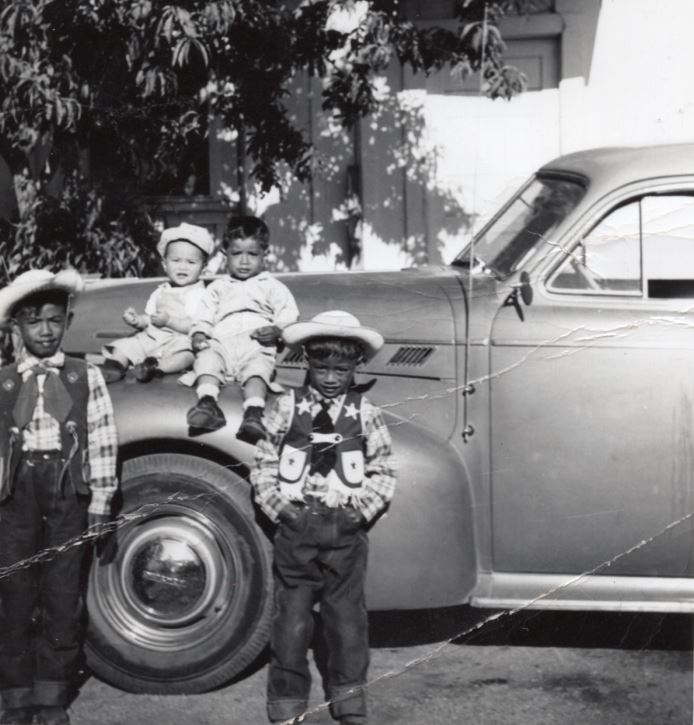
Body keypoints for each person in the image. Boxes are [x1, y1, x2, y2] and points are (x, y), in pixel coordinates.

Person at [250, 310, 396, 725]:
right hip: (297, 529)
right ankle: (287, 703)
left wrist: (358, 514)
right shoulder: (285, 406)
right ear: (306, 362)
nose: (331, 378)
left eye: (341, 368)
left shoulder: (365, 412)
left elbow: (384, 470)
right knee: (291, 622)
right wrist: (284, 512)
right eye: (321, 367)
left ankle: (349, 699)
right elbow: (262, 463)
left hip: (345, 531)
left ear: (356, 367)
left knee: (347, 621)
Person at [0, 269, 119, 725]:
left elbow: (104, 438)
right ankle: (15, 694)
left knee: (62, 592)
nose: (45, 331)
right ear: (18, 328)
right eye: (35, 323)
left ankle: (51, 695)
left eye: (54, 320)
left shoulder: (84, 376)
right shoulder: (7, 381)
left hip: (68, 490)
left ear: (66, 321)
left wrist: (100, 501)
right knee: (13, 591)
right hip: (17, 495)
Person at [185, 215, 299, 442]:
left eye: (253, 254)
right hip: (221, 344)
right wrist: (199, 333)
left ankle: (253, 414)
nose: (244, 261)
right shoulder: (218, 287)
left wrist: (277, 330)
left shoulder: (273, 287)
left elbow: (289, 316)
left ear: (266, 255)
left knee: (259, 369)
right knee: (206, 359)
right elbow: (204, 315)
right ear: (224, 254)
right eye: (237, 254)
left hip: (255, 344)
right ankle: (207, 404)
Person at [100, 222, 214, 383]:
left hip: (178, 340)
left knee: (187, 356)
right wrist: (137, 320)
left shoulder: (200, 294)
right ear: (165, 264)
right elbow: (149, 319)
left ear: (203, 267)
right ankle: (115, 367)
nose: (183, 267)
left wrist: (169, 321)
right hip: (152, 337)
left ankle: (155, 367)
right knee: (126, 345)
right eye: (176, 260)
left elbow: (195, 325)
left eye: (191, 262)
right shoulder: (160, 291)